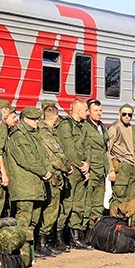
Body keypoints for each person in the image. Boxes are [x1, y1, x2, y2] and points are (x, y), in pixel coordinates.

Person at [6, 106, 52, 264]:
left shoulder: (33, 135)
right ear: (25, 119)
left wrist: (48, 170)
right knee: (23, 222)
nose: (37, 122)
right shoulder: (19, 136)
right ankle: (21, 257)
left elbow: (42, 155)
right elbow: (27, 159)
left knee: (33, 221)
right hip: (24, 186)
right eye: (34, 119)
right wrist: (43, 172)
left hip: (34, 186)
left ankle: (29, 255)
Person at [56, 98, 92, 249]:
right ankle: (58, 238)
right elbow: (69, 148)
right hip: (71, 171)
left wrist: (87, 164)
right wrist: (80, 165)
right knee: (66, 204)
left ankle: (75, 238)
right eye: (86, 110)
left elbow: (88, 146)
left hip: (81, 171)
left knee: (79, 205)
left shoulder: (84, 126)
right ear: (78, 111)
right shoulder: (66, 125)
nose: (88, 113)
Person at [38, 101, 73, 253]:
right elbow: (56, 154)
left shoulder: (42, 131)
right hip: (52, 177)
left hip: (50, 176)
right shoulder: (46, 133)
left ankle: (45, 242)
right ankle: (43, 243)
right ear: (56, 117)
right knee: (50, 210)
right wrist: (67, 167)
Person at [108, 104, 135, 207]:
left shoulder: (131, 128)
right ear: (119, 114)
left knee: (131, 197)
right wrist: (111, 170)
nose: (127, 116)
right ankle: (115, 220)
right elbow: (107, 150)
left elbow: (132, 150)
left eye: (130, 115)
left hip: (131, 166)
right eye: (124, 114)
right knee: (119, 197)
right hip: (121, 166)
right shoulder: (114, 128)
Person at [82, 99, 109, 226]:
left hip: (101, 170)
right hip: (92, 169)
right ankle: (84, 230)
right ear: (88, 112)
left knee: (98, 203)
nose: (99, 113)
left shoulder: (102, 127)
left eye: (100, 110)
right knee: (88, 202)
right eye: (96, 110)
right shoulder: (85, 127)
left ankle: (94, 230)